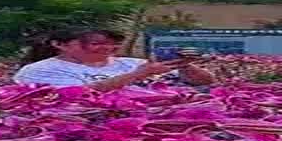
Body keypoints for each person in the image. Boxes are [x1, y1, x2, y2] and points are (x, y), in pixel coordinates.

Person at [13, 27, 214, 91]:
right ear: (60, 44)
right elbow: (76, 95)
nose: (107, 48)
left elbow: (205, 82)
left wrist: (186, 67)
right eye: (97, 43)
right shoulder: (39, 70)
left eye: (112, 43)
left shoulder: (130, 63)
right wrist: (139, 75)